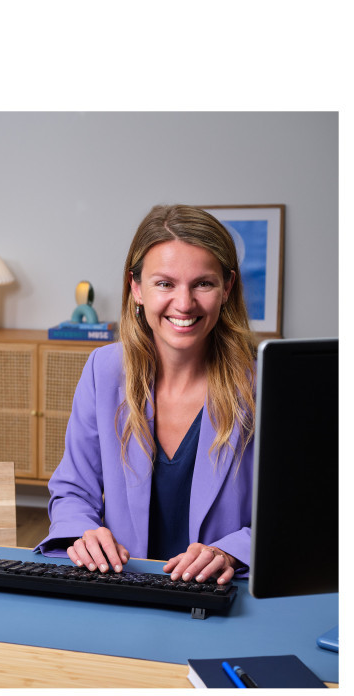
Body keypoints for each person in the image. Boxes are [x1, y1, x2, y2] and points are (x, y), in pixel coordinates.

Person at [36, 204, 257, 585]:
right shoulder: (104, 370)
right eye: (165, 284)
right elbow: (73, 489)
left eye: (203, 284)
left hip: (223, 595)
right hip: (123, 588)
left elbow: (297, 510)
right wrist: (83, 534)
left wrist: (232, 551)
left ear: (227, 288)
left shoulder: (261, 385)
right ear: (136, 288)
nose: (184, 303)